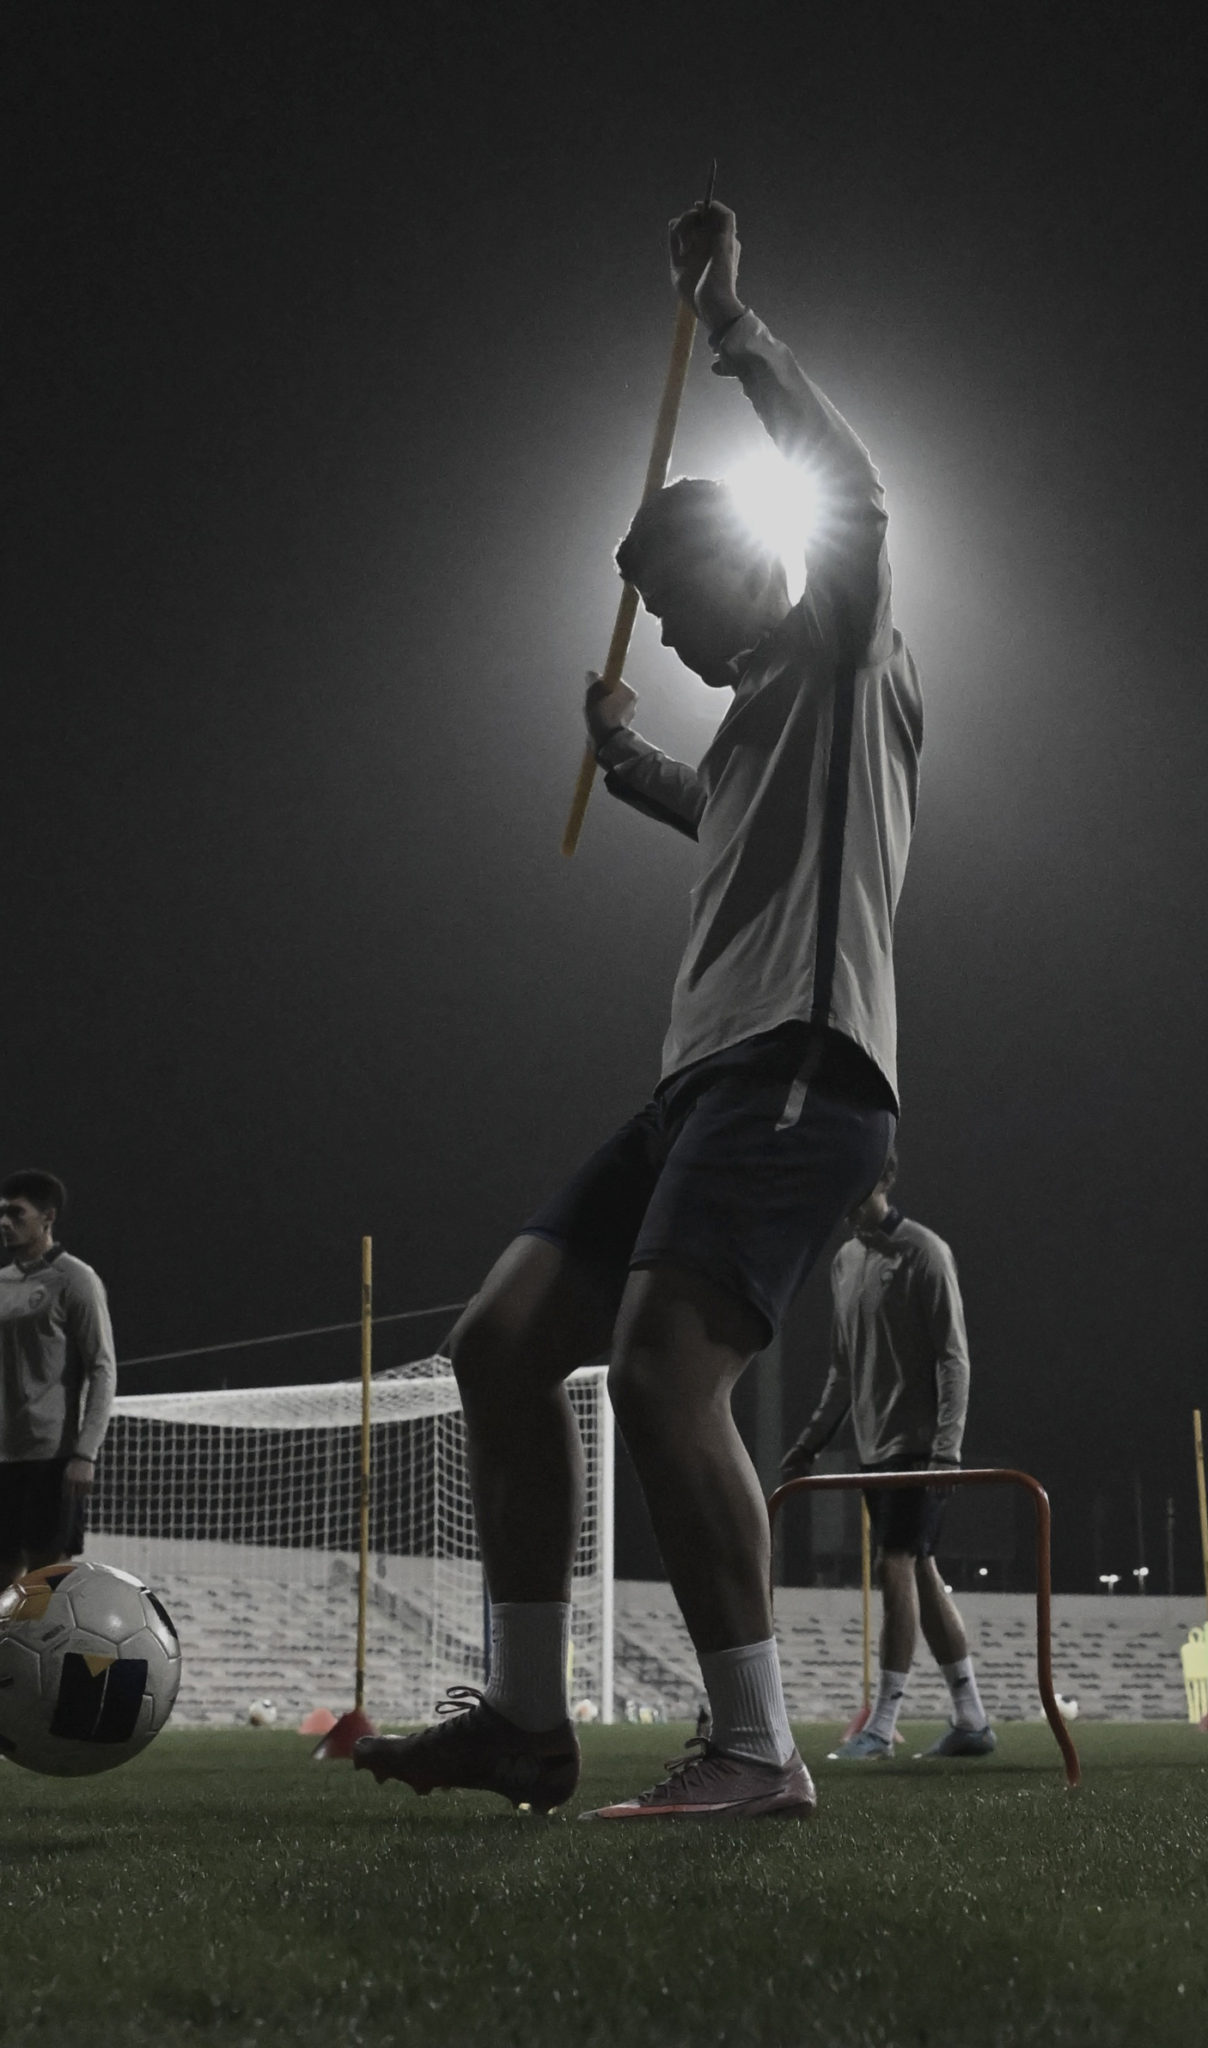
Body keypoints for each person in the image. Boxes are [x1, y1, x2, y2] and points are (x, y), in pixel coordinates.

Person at [355, 195, 922, 1820]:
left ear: (755, 563)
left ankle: (755, 1749)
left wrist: (731, 326)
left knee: (665, 1373)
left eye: (677, 603)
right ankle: (526, 1724)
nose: (664, 634)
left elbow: (859, 493)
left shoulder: (845, 646)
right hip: (700, 1085)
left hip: (801, 1068)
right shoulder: (753, 729)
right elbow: (717, 813)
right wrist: (624, 759)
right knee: (498, 1343)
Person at [781, 1149, 995, 1760]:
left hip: (920, 1450)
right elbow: (842, 1370)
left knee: (894, 1564)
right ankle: (972, 1719)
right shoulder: (845, 1262)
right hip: (872, 1451)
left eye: (855, 1183)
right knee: (920, 1570)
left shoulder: (926, 1253)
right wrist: (810, 1442)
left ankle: (880, 1726)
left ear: (884, 1178)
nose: (844, 1200)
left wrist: (947, 1451)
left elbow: (954, 1358)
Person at [0, 1169, 117, 1591]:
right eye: (1, 1213)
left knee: (42, 1587)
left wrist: (85, 1453)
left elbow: (103, 1368)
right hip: (2, 1456)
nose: (4, 1222)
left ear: (47, 1217)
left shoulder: (76, 1279)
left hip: (51, 1456)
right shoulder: (2, 1282)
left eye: (16, 1213)